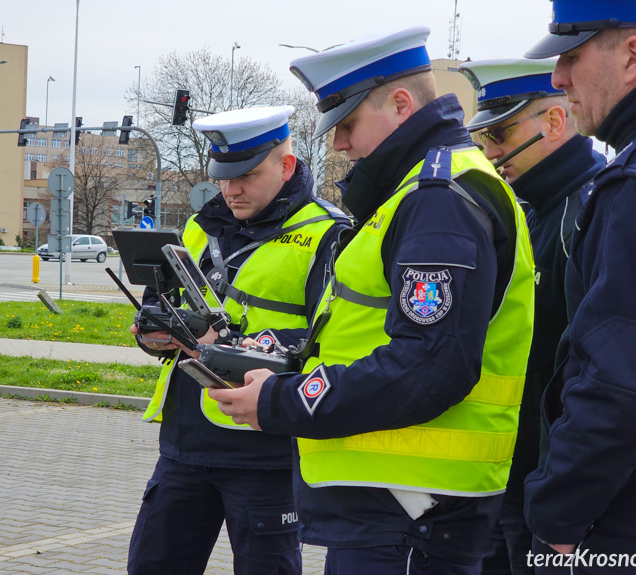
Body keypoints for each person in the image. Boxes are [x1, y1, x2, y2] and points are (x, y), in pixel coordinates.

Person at [211, 27, 536, 574]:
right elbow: (372, 329)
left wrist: (282, 402)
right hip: (398, 504)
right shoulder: (419, 192)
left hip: (412, 507)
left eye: (348, 124)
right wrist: (278, 350)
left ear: (402, 105)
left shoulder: (438, 199)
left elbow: (428, 365)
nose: (338, 144)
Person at [126, 105, 349, 575]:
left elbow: (327, 344)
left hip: (263, 451)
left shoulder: (328, 234)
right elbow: (161, 308)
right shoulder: (199, 227)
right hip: (184, 447)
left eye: (245, 175)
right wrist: (154, 334)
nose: (230, 189)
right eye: (223, 176)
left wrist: (221, 344)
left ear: (286, 166)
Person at [519, 1, 636, 572]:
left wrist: (557, 513)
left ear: (633, 57)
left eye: (572, 57)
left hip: (631, 524)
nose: (558, 79)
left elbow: (623, 385)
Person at [457, 59, 606, 575]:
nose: (489, 151)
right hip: (507, 470)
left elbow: (604, 371)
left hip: (554, 480)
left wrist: (568, 492)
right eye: (483, 136)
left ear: (555, 122)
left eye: (499, 133)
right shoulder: (523, 209)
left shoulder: (590, 209)